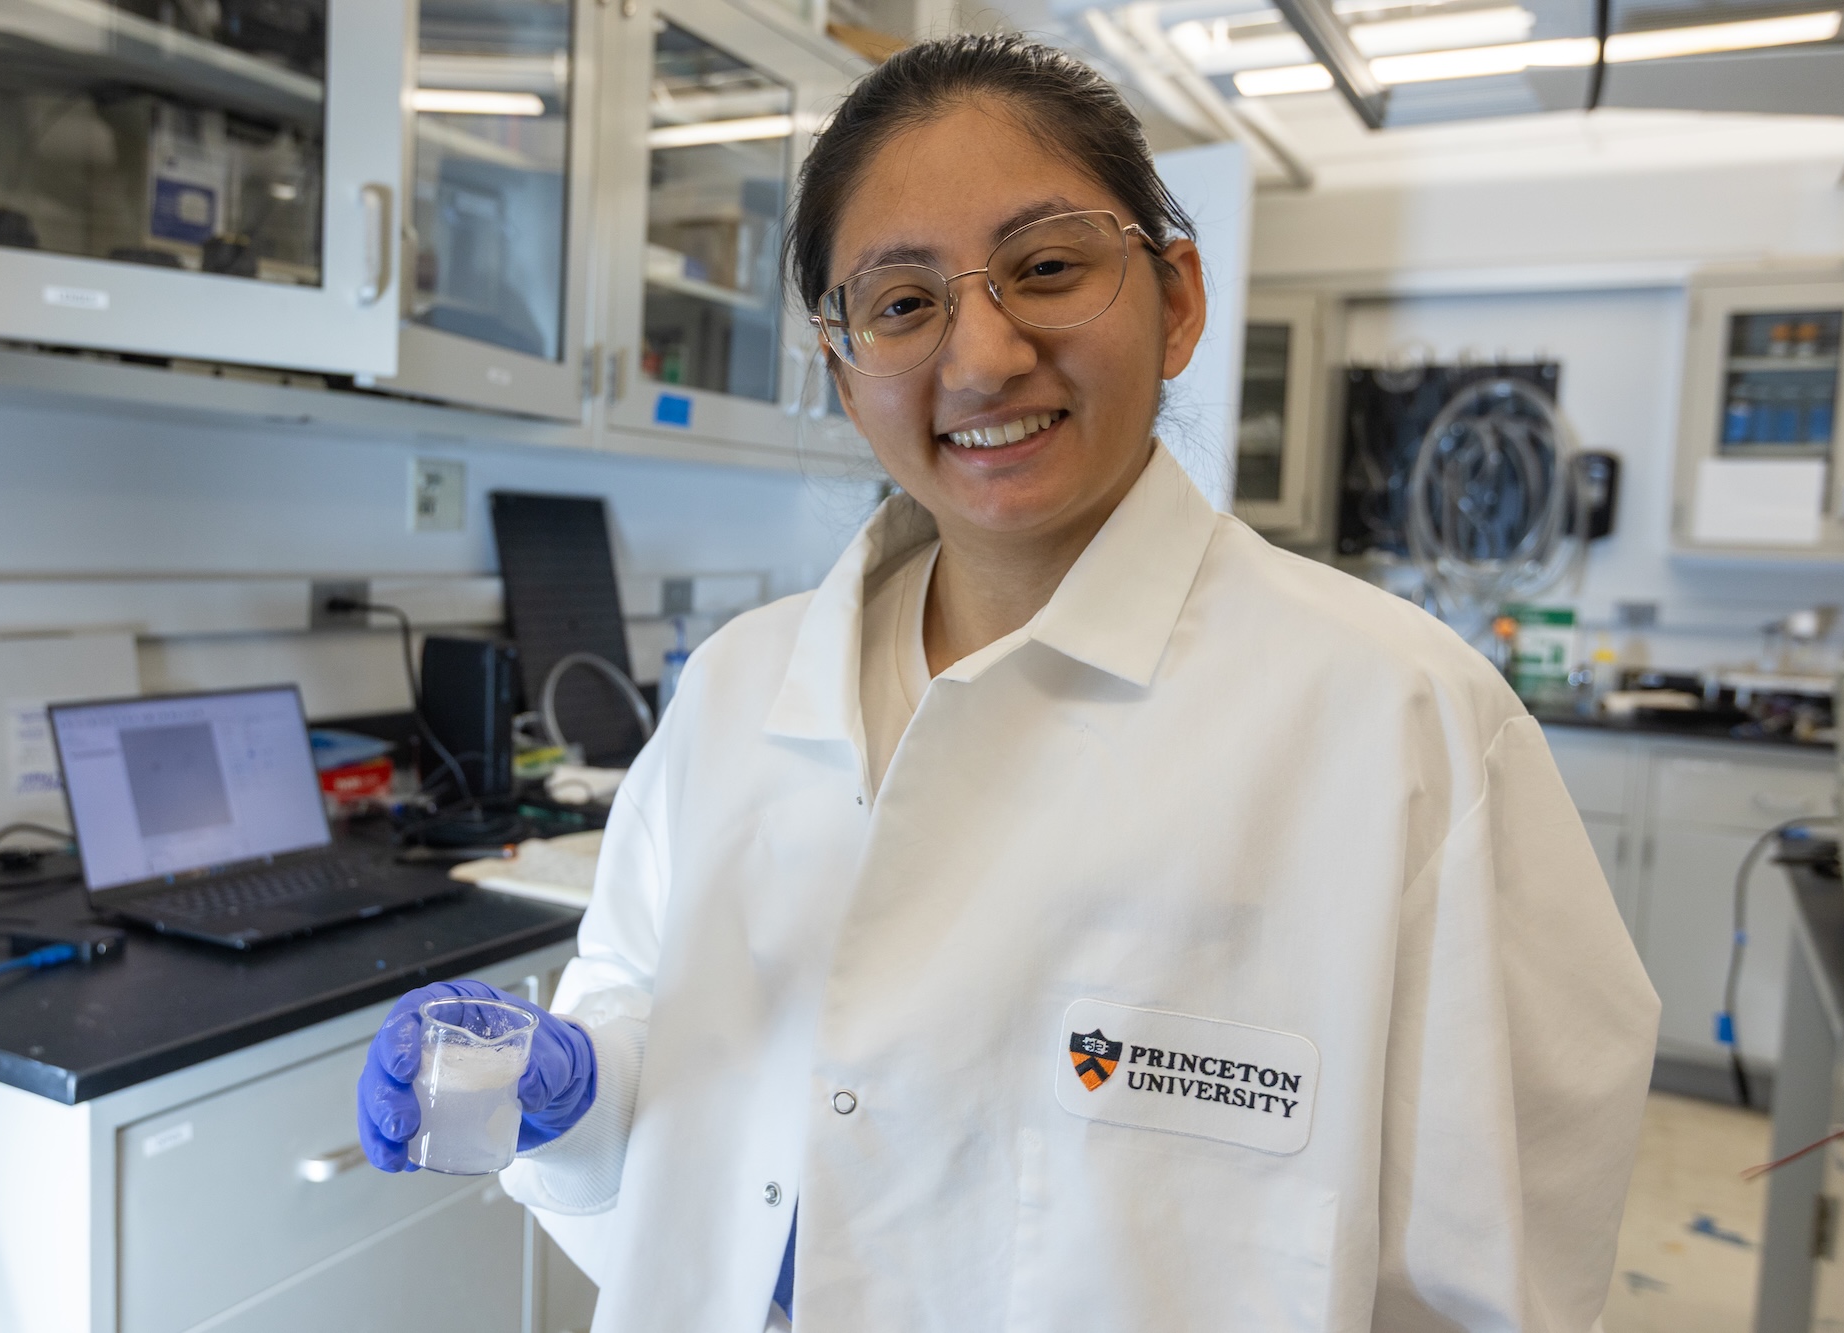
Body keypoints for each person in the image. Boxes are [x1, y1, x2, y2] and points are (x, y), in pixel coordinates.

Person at [357, 33, 1658, 1332]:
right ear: (842, 364)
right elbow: (651, 1026)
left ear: (1178, 298)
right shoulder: (739, 692)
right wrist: (577, 1093)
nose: (980, 358)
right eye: (904, 302)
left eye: (1046, 268)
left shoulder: (1406, 728)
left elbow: (1507, 1280)